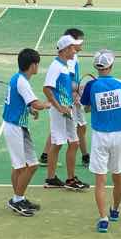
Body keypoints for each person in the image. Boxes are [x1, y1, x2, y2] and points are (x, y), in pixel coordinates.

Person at [80, 50, 121, 233]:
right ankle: (115, 210)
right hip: (119, 136)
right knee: (118, 177)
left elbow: (87, 109)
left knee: (100, 181)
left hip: (100, 137)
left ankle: (103, 219)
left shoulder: (91, 86)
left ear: (96, 67)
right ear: (111, 66)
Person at [3, 48, 50, 217]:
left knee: (30, 165)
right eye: (37, 64)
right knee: (21, 167)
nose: (38, 67)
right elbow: (36, 103)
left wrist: (30, 109)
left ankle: (19, 198)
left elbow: (22, 102)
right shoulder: (22, 81)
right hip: (14, 127)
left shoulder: (18, 78)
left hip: (20, 126)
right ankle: (16, 200)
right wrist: (48, 104)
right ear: (32, 66)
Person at [43, 35, 90, 190]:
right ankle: (50, 179)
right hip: (59, 111)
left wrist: (79, 89)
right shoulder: (55, 66)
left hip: (68, 109)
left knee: (74, 142)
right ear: (64, 50)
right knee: (57, 144)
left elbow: (67, 87)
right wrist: (58, 107)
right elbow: (47, 89)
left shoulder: (65, 66)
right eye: (72, 48)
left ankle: (70, 180)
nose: (74, 50)